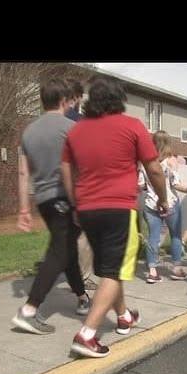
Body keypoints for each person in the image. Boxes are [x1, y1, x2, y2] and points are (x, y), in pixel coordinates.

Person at [61, 75, 168, 358]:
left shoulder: (75, 131)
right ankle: (87, 334)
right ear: (119, 99)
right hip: (118, 207)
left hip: (86, 209)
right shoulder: (132, 126)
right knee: (113, 269)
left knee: (111, 266)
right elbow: (154, 170)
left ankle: (123, 316)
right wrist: (164, 198)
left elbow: (67, 172)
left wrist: (75, 205)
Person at [14, 79, 90, 334]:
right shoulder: (71, 128)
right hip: (66, 198)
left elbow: (24, 174)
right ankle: (29, 309)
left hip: (43, 200)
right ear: (63, 101)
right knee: (59, 250)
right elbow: (81, 167)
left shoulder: (28, 132)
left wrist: (24, 209)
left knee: (65, 248)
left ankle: (81, 297)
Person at [139, 130, 187, 283]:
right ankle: (176, 268)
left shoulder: (145, 162)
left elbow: (141, 185)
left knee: (153, 237)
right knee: (175, 235)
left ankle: (152, 271)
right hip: (170, 203)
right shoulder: (171, 161)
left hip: (150, 204)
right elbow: (176, 184)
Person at [65, 78, 96, 291]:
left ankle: (67, 269)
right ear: (76, 97)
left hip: (52, 187)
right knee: (85, 233)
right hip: (79, 183)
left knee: (65, 234)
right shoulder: (80, 122)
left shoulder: (46, 121)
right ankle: (83, 277)